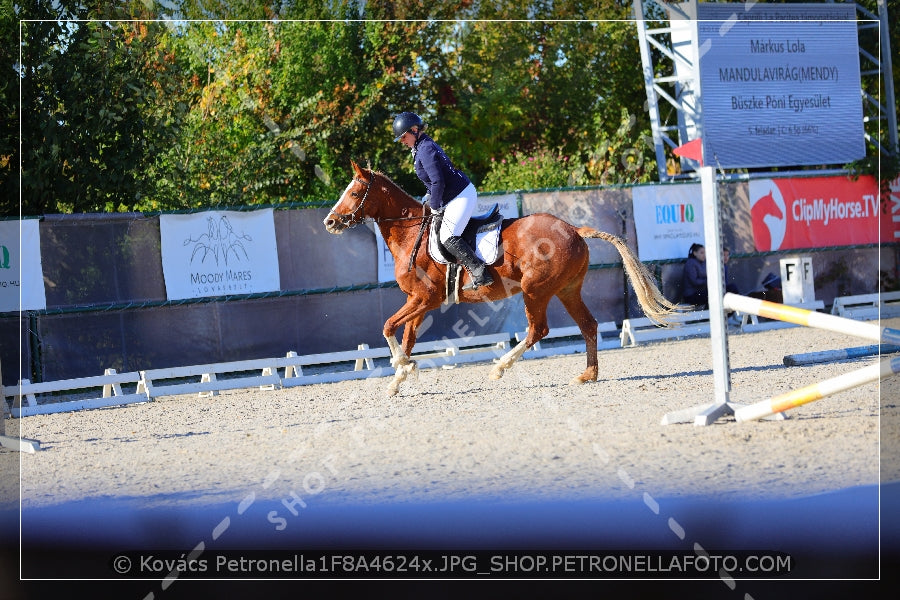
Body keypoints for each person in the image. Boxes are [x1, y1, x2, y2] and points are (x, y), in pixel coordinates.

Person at [392, 111, 493, 291]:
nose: (402, 141)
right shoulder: (421, 147)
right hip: (452, 195)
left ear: (414, 130)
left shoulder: (426, 148)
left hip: (460, 195)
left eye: (404, 136)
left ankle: (480, 272)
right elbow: (433, 182)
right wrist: (428, 197)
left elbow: (438, 181)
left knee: (448, 236)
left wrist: (435, 205)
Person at [681, 242, 708, 308]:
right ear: (695, 253)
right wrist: (707, 281)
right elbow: (694, 281)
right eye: (701, 253)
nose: (704, 255)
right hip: (691, 295)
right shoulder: (691, 263)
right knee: (712, 295)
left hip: (701, 292)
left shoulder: (704, 262)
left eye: (705, 253)